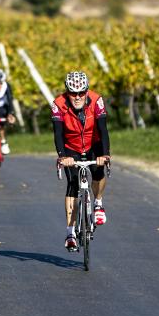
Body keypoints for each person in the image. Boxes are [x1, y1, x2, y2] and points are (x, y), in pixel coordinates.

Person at [52, 71, 110, 252]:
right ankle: (70, 233)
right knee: (72, 184)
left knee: (99, 170)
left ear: (86, 91)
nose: (77, 97)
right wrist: (62, 156)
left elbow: (103, 129)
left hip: (94, 144)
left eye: (81, 93)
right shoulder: (57, 104)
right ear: (67, 92)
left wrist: (105, 154)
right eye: (73, 93)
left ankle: (98, 203)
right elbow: (58, 134)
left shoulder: (97, 101)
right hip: (71, 147)